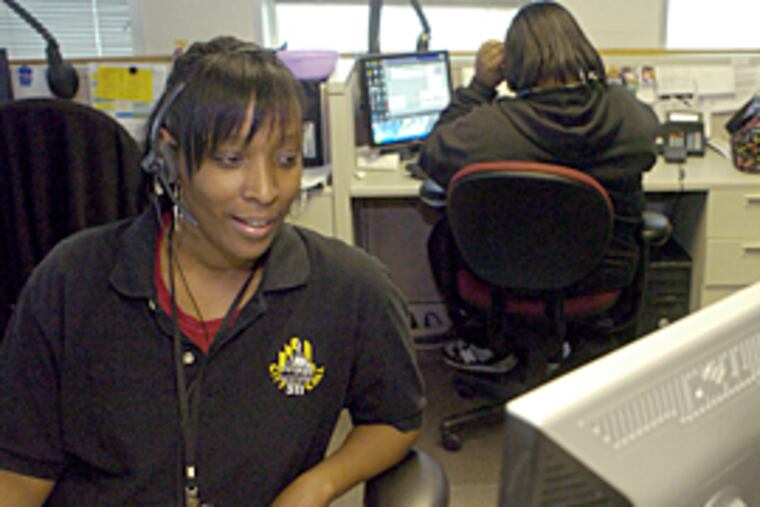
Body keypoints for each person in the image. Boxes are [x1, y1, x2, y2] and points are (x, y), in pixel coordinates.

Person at [0, 36, 424, 506]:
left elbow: (395, 418)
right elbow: (17, 475)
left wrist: (316, 485)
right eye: (230, 160)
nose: (265, 190)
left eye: (285, 160)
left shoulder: (350, 289)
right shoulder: (71, 281)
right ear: (171, 157)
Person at [418, 1, 659, 374]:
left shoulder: (491, 130)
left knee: (442, 233)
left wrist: (481, 86)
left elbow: (432, 154)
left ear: (513, 62)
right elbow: (649, 148)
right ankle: (584, 348)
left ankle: (485, 343)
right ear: (581, 49)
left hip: (500, 282)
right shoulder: (626, 115)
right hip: (599, 279)